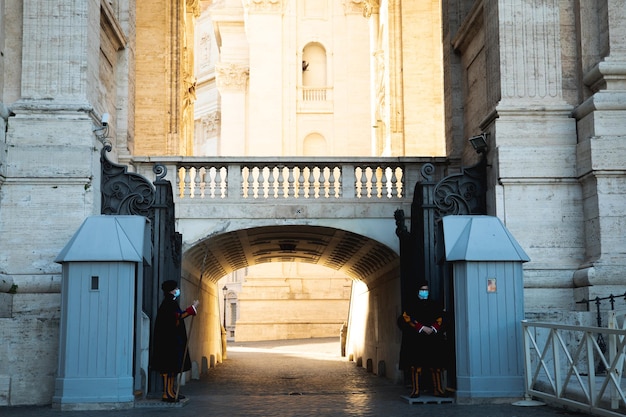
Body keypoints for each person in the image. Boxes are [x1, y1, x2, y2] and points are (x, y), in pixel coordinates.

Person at [151, 280, 199, 402]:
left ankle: (171, 391)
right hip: (167, 342)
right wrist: (192, 308)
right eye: (176, 288)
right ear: (171, 290)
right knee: (168, 368)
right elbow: (178, 316)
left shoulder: (170, 302)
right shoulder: (168, 303)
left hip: (171, 340)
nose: (178, 290)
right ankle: (167, 393)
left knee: (172, 368)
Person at [397, 280, 447, 398]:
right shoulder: (411, 305)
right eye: (422, 290)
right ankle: (416, 390)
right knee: (416, 366)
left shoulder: (434, 304)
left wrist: (433, 328)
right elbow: (406, 319)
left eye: (426, 290)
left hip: (433, 339)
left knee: (436, 365)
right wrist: (421, 327)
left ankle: (438, 389)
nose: (425, 292)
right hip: (416, 339)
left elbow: (441, 318)